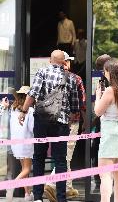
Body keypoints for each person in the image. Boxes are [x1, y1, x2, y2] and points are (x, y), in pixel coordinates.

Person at [18, 50, 79, 202]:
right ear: (64, 62)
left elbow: (32, 93)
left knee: (38, 158)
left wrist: (23, 111)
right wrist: (70, 118)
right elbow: (75, 104)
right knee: (60, 161)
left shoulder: (42, 72)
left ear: (51, 60)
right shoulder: (71, 78)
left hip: (42, 121)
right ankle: (61, 198)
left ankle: (38, 196)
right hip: (61, 123)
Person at [44, 51, 86, 202]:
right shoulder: (75, 78)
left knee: (61, 154)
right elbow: (81, 102)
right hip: (70, 121)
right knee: (65, 155)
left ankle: (68, 187)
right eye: (68, 61)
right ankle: (51, 183)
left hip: (52, 121)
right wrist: (85, 120)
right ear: (65, 62)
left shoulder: (46, 76)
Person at [94, 58, 118, 202]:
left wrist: (98, 95)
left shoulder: (110, 90)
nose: (104, 74)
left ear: (110, 72)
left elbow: (98, 111)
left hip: (110, 133)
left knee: (104, 174)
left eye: (105, 71)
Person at [1, 86, 34, 202]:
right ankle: (12, 185)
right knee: (27, 169)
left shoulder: (13, 109)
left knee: (23, 169)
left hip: (16, 144)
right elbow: (32, 128)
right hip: (27, 142)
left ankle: (27, 194)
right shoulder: (30, 110)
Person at [91, 54, 111, 192]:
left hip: (107, 121)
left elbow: (100, 108)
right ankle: (100, 179)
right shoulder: (103, 80)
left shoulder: (107, 82)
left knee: (99, 149)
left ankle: (101, 180)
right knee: (98, 149)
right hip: (104, 121)